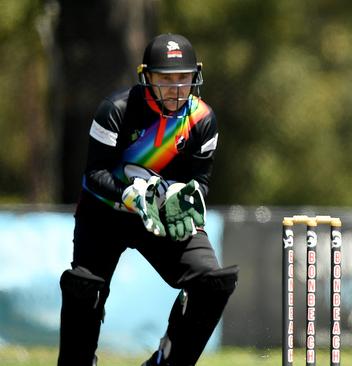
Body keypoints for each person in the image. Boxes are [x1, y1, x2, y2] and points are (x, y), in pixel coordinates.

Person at [57, 33, 239, 366]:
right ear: (146, 77)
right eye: (165, 79)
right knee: (84, 287)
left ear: (195, 76)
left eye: (183, 79)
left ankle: (166, 363)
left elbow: (201, 180)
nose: (175, 88)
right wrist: (129, 195)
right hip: (104, 213)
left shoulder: (203, 120)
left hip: (163, 214)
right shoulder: (115, 110)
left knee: (213, 284)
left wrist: (186, 197)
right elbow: (93, 174)